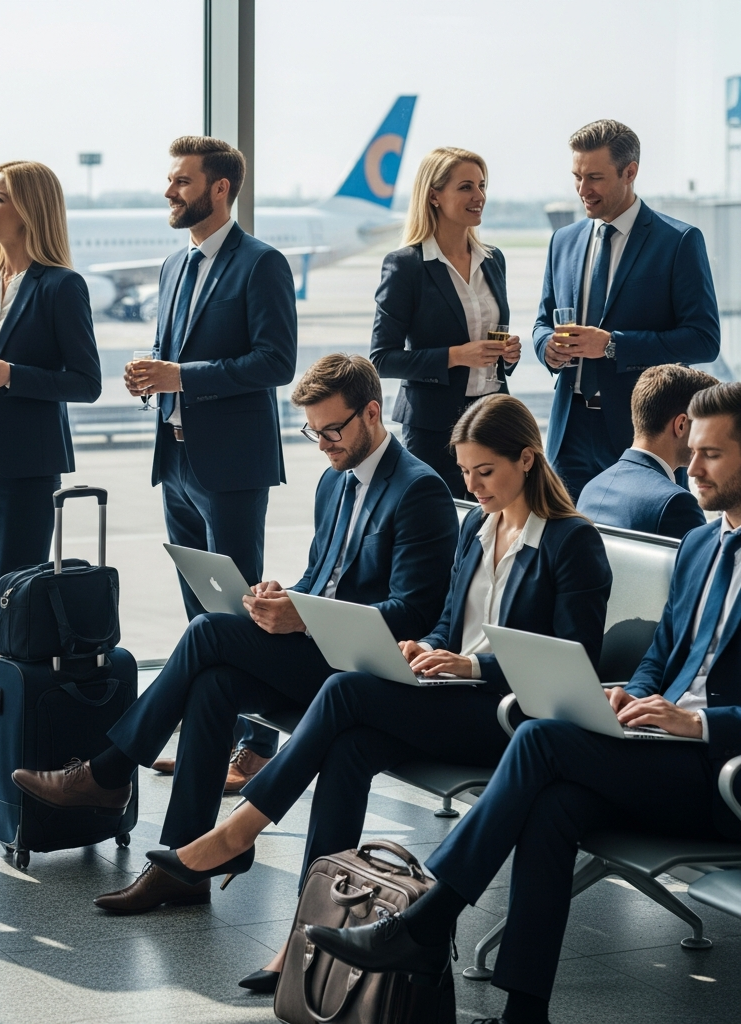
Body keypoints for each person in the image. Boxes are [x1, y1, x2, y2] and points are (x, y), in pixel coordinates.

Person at [301, 382, 741, 1024]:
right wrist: (634, 694)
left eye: (712, 456)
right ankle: (523, 1012)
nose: (691, 467)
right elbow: (662, 654)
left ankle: (423, 925)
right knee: (554, 806)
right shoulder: (702, 544)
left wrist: (698, 722)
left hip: (717, 774)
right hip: (657, 747)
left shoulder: (574, 538)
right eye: (693, 452)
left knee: (538, 740)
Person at [149, 393, 612, 994]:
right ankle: (306, 935)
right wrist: (424, 649)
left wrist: (472, 666)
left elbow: (575, 665)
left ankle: (238, 832)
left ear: (527, 459)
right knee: (350, 747)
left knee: (345, 692)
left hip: (505, 717)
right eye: (465, 472)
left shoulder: (570, 543)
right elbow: (449, 622)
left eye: (485, 472)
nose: (472, 486)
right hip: (448, 693)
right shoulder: (478, 525)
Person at [13, 354, 458, 913]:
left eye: (332, 430)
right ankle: (182, 861)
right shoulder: (333, 480)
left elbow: (413, 613)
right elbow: (326, 576)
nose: (322, 443)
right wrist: (284, 596)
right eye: (312, 432)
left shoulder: (420, 491)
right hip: (316, 650)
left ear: (372, 413)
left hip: (360, 670)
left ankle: (108, 773)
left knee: (207, 633)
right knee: (214, 683)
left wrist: (304, 615)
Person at [123, 135, 297, 786]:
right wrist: (153, 376)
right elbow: (178, 358)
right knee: (201, 615)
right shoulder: (175, 265)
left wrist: (182, 375)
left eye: (181, 181)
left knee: (239, 613)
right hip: (176, 461)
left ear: (220, 188)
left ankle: (255, 742)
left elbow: (275, 362)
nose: (170, 190)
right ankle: (211, 739)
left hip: (231, 466)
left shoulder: (261, 264)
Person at [0, 162, 101, 656]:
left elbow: (87, 382)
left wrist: (14, 376)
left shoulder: (61, 286)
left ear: (29, 210)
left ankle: (19, 713)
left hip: (25, 466)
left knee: (14, 599)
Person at [534, 119, 719, 500]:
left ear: (630, 172)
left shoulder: (678, 242)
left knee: (645, 547)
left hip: (644, 434)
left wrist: (613, 345)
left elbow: (704, 340)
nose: (582, 190)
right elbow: (542, 321)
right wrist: (546, 348)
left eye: (595, 177)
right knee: (568, 550)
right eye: (577, 176)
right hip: (569, 431)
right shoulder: (563, 241)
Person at [370, 147, 522, 498]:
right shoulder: (405, 265)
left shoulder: (493, 259)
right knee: (442, 528)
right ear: (434, 196)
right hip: (435, 430)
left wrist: (506, 355)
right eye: (466, 187)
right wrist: (457, 355)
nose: (479, 196)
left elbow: (489, 345)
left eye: (482, 186)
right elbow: (382, 358)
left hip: (494, 419)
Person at [578, 364, 715, 538]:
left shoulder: (592, 488)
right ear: (681, 425)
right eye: (706, 425)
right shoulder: (675, 503)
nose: (711, 437)